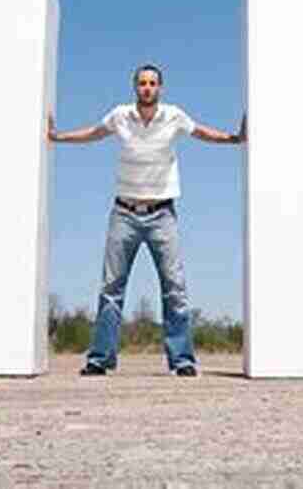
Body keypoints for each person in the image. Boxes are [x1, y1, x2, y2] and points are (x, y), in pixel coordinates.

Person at [48, 63, 246, 377]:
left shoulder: (173, 116)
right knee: (111, 288)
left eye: (153, 83)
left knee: (174, 288)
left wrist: (234, 138)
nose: (147, 88)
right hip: (124, 213)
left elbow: (203, 132)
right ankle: (100, 359)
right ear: (135, 87)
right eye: (142, 83)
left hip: (162, 215)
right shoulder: (120, 116)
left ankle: (182, 361)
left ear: (160, 88)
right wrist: (58, 137)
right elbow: (93, 133)